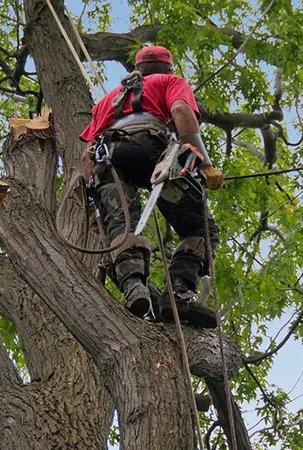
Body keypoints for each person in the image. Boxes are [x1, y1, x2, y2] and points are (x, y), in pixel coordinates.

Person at [79, 45, 223, 328]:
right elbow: (181, 109)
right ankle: (178, 293)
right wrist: (204, 163)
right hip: (152, 149)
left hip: (108, 159)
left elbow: (86, 154)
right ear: (167, 68)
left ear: (138, 68)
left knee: (122, 226)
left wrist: (92, 208)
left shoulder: (107, 100)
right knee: (201, 229)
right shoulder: (170, 82)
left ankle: (134, 288)